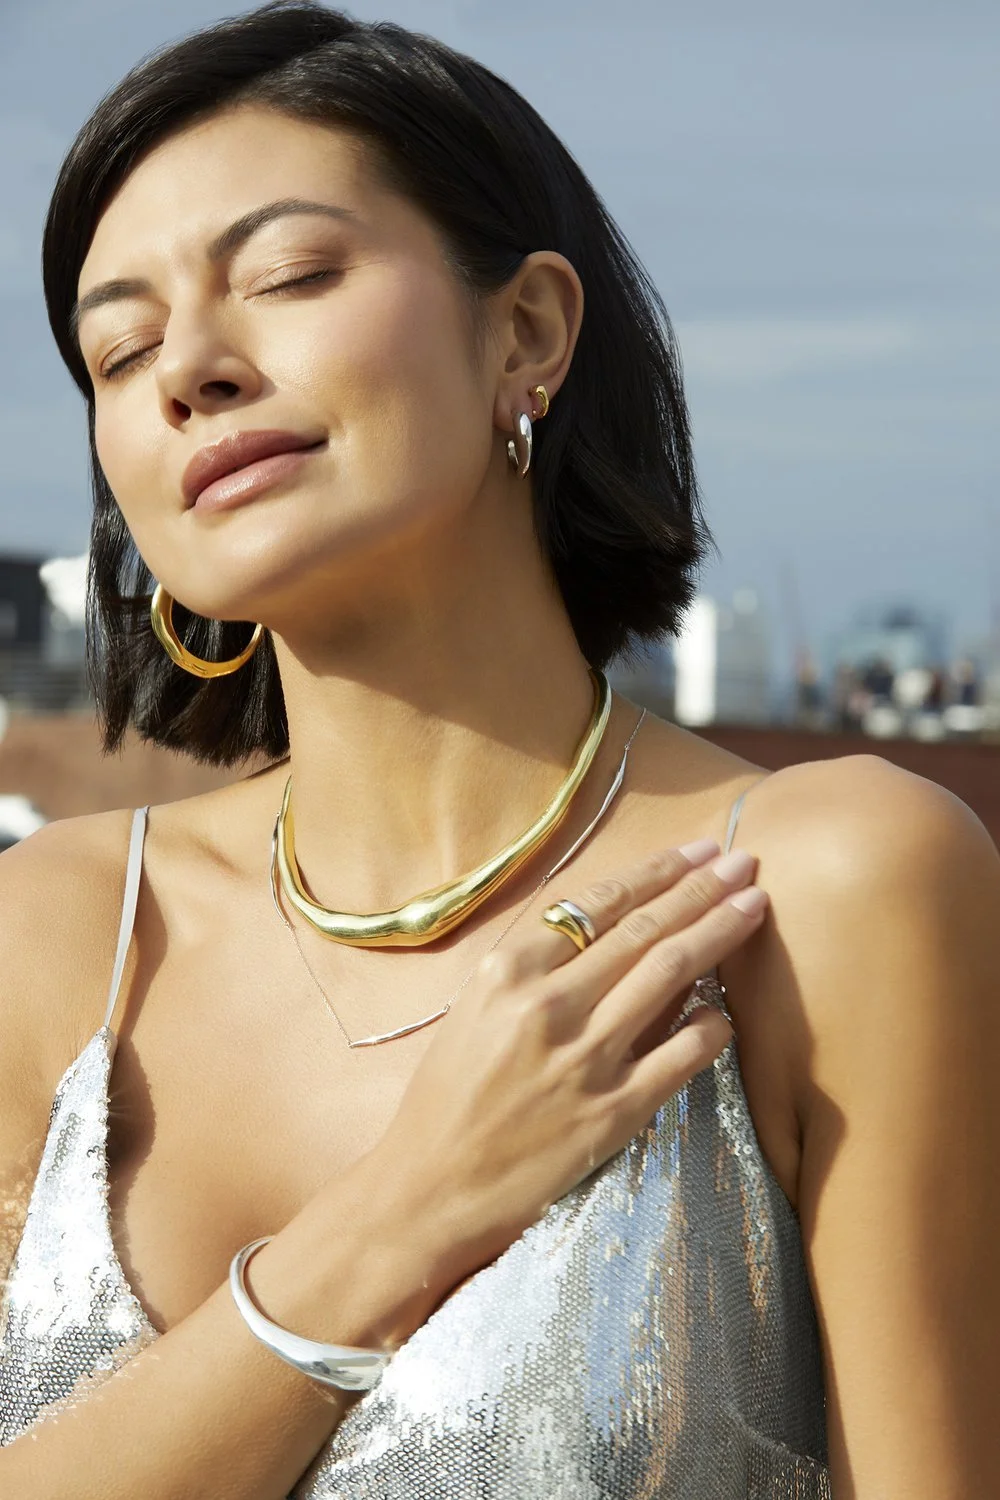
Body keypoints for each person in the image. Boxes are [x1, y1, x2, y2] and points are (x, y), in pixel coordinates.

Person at [1, 5, 997, 1496]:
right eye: (118, 347)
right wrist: (403, 1211)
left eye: (288, 276)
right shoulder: (62, 935)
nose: (187, 368)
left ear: (525, 330)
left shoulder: (822, 885)